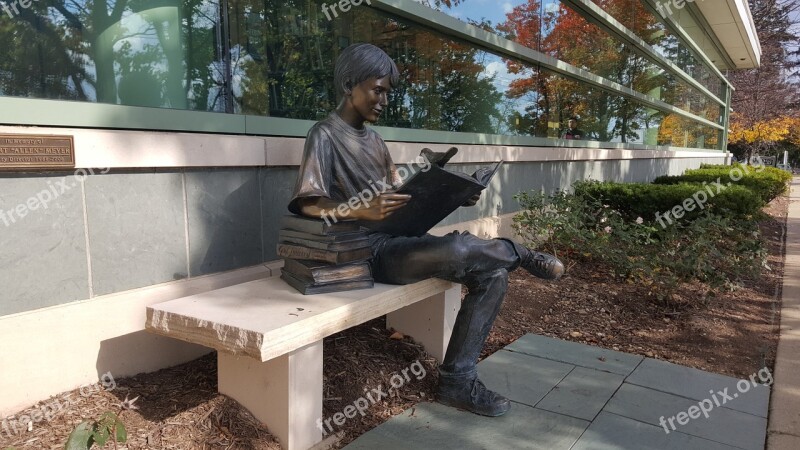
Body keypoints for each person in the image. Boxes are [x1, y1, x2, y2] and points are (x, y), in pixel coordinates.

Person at [287, 43, 564, 417]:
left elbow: (395, 197)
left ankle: (456, 381)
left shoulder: (375, 141)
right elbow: (308, 203)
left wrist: (446, 193)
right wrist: (358, 207)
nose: (383, 100)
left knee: (493, 274)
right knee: (460, 249)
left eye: (388, 92)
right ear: (349, 83)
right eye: (377, 89)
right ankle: (520, 253)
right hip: (365, 250)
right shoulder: (324, 135)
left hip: (398, 238)